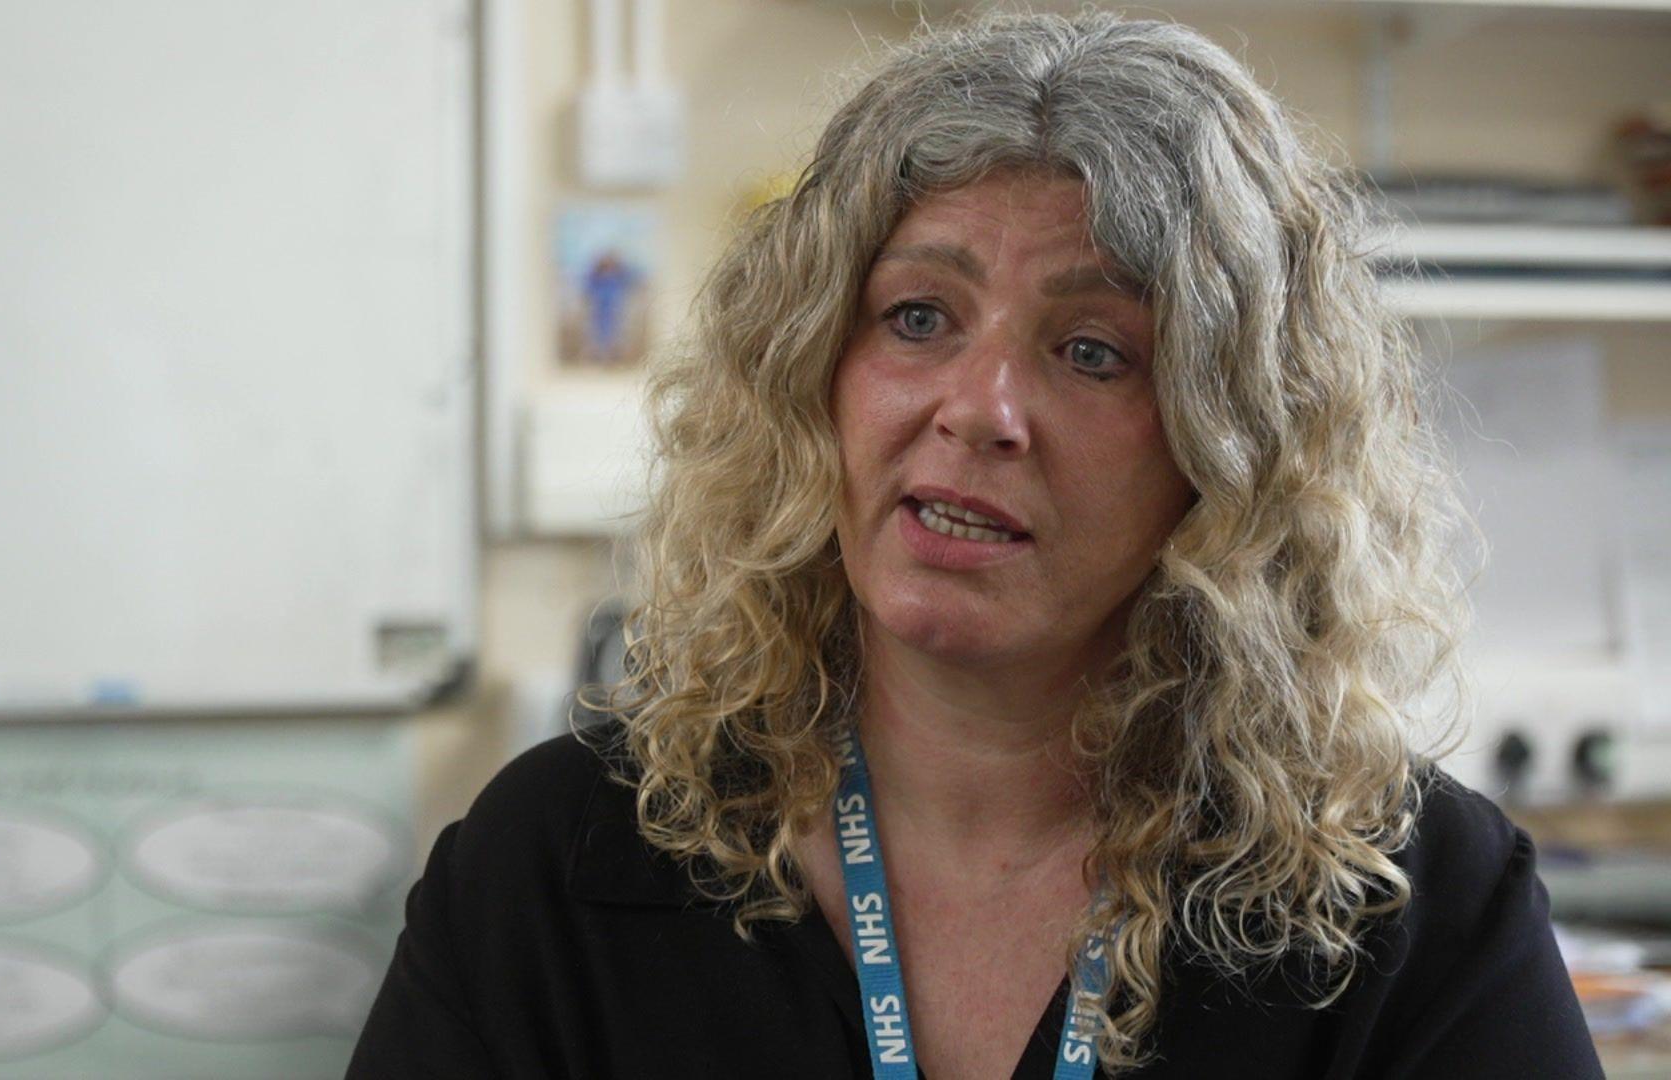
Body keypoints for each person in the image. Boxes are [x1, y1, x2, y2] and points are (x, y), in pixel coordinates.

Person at [349, 9, 1601, 1078]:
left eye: (1093, 350)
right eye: (917, 316)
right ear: (812, 380)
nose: (979, 408)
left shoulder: (1406, 905)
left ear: (1230, 452)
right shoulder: (562, 863)